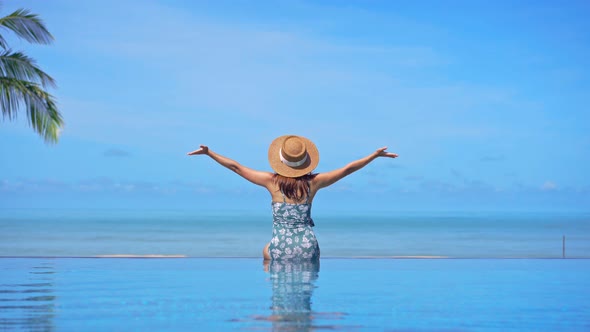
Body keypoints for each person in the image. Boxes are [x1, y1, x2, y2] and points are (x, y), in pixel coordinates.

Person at [187, 135, 398, 261]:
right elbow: (347, 170)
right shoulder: (313, 182)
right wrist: (374, 155)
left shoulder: (271, 181)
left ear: (281, 161)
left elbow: (236, 167)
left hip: (280, 247)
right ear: (305, 162)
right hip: (308, 246)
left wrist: (209, 153)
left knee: (267, 254)